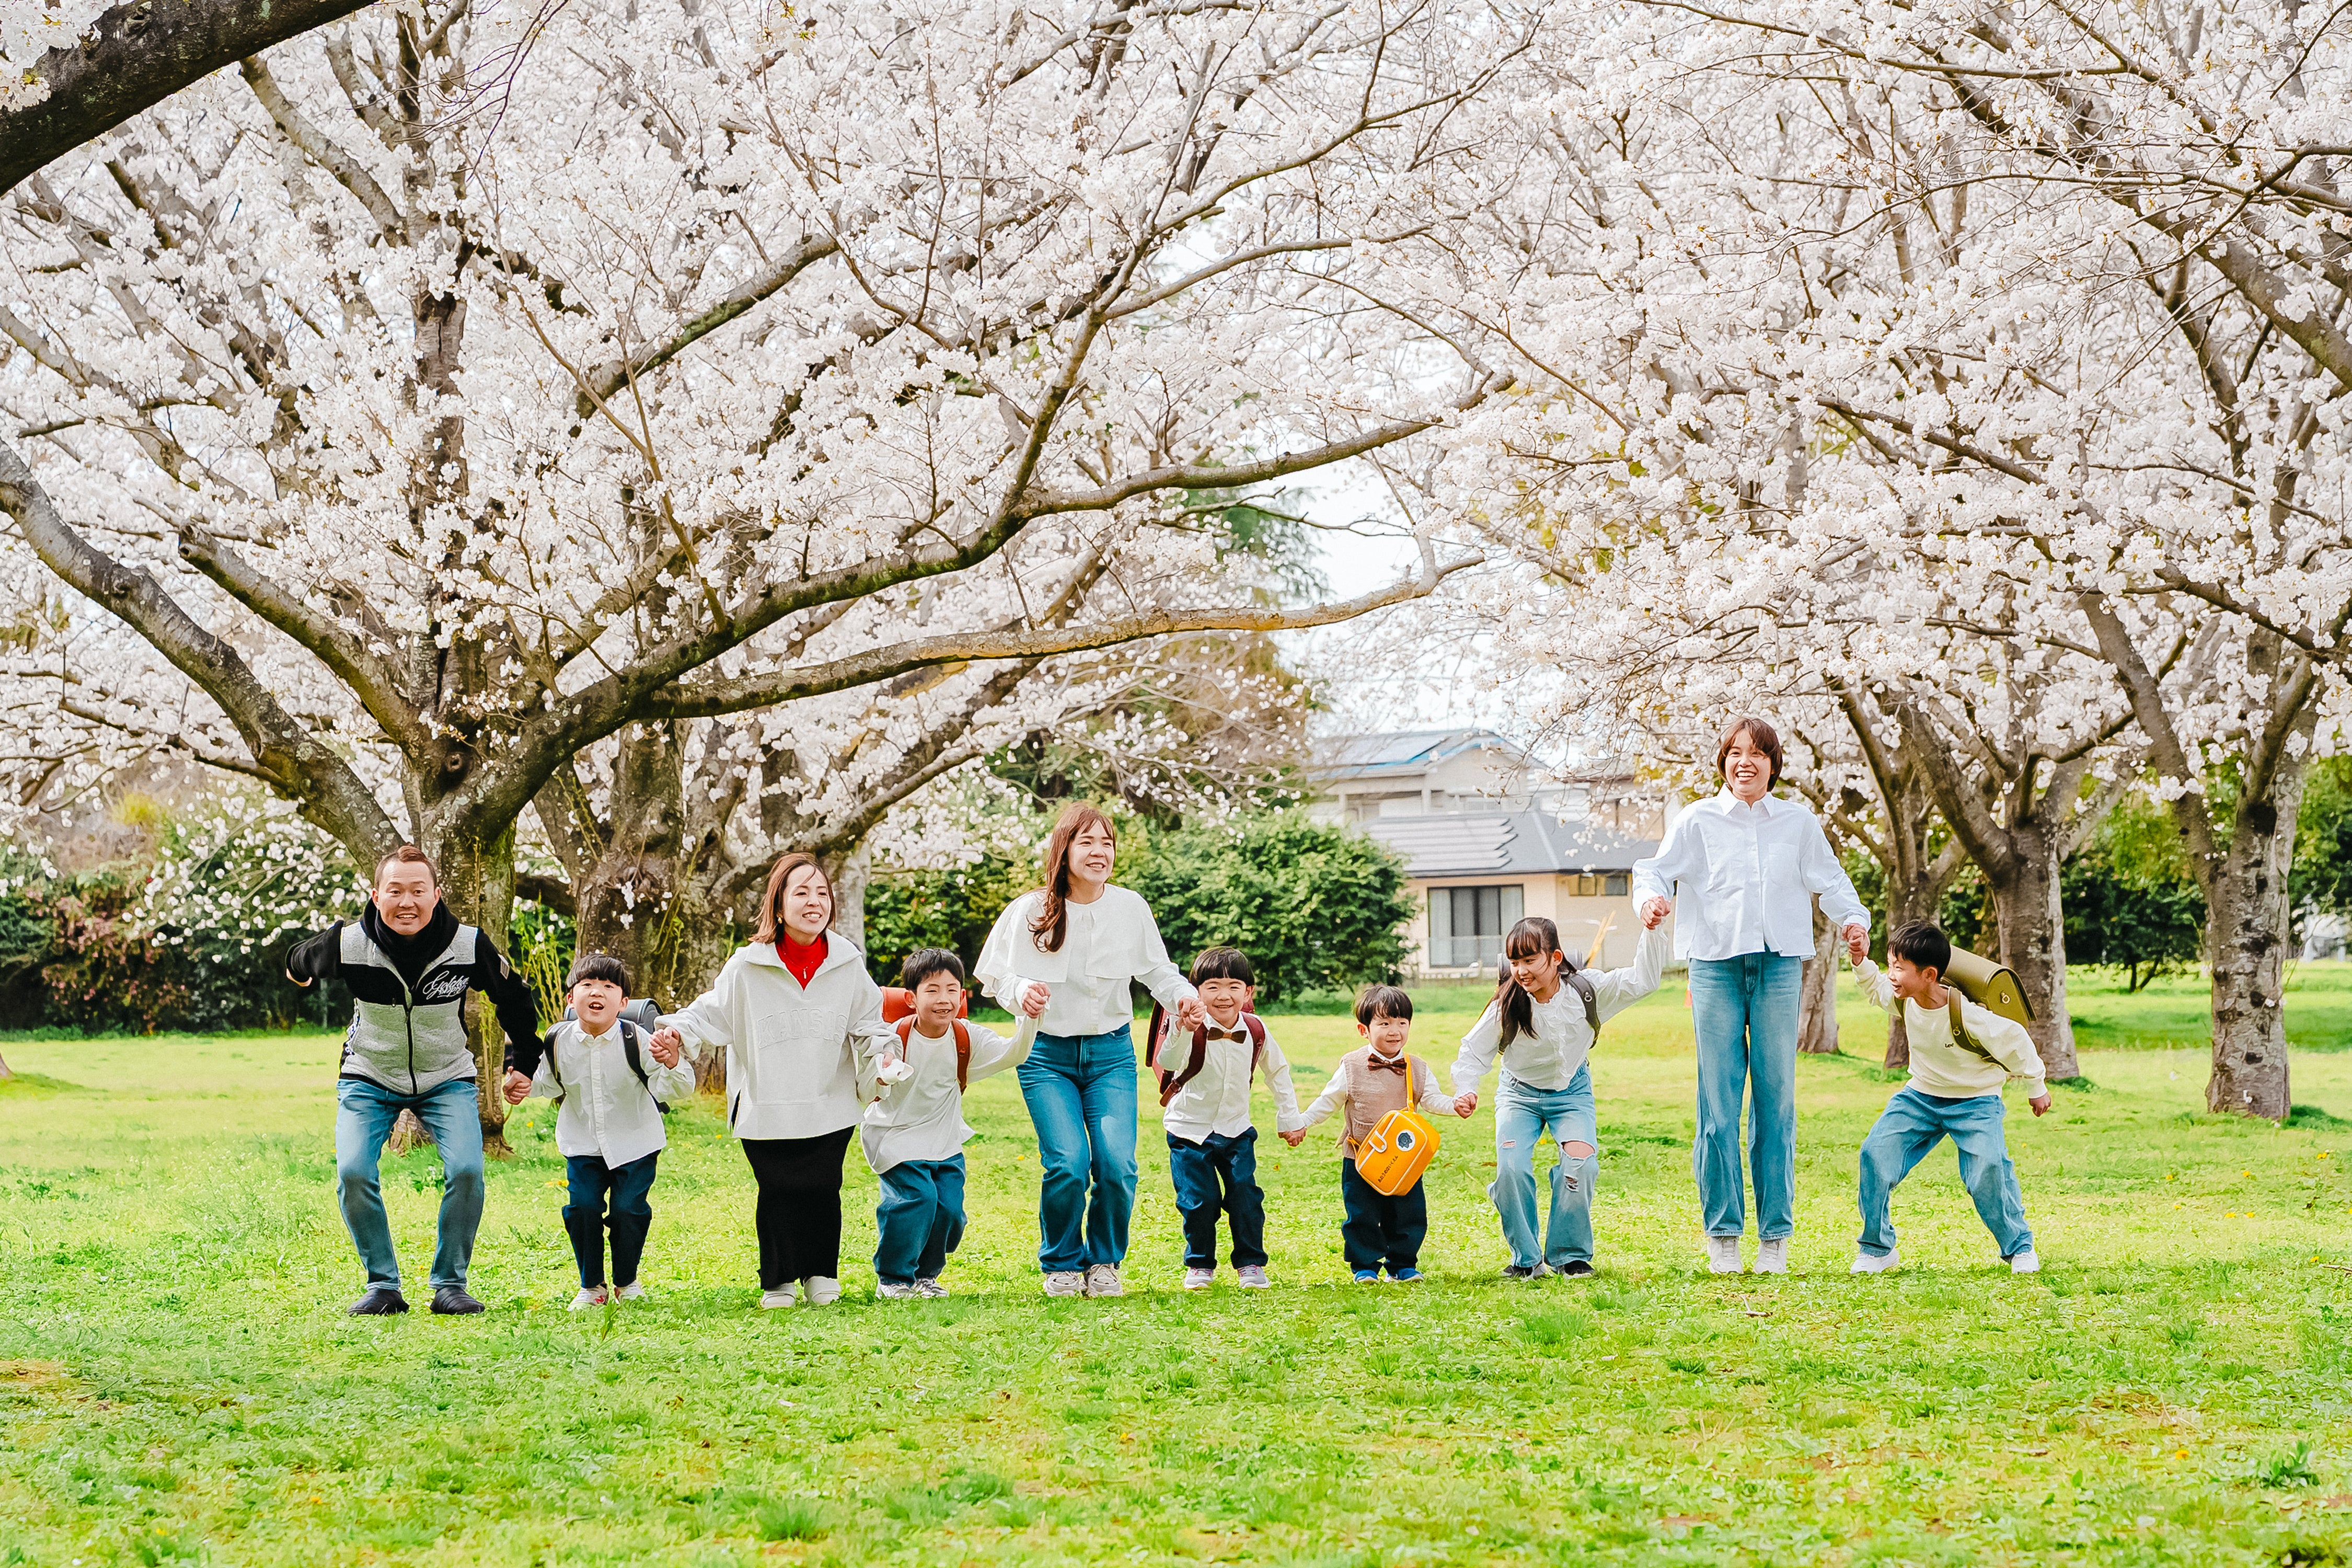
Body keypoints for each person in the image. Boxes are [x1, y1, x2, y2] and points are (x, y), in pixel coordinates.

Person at [1631, 717, 1870, 1275]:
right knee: (1717, 1105)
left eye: (1758, 753)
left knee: (1776, 1102)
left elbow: (1830, 880)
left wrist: (1854, 921)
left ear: (1773, 763)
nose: (1746, 762)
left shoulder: (1796, 822)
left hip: (1779, 966)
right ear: (1723, 762)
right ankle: (1724, 1234)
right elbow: (1654, 870)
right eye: (1736, 752)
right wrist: (1651, 901)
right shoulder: (1696, 820)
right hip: (1714, 967)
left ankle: (1775, 1239)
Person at [285, 844, 540, 1317]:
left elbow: (516, 998)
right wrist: (302, 969)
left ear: (436, 894)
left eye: (418, 890)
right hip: (368, 1073)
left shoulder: (468, 945)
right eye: (396, 891)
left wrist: (523, 1061)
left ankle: (450, 1284)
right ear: (377, 894)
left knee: (467, 1169)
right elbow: (297, 961)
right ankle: (383, 1285)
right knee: (353, 1171)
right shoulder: (349, 943)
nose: (408, 902)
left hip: (446, 1076)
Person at [976, 803, 1204, 1299]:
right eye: (1087, 842)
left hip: (1110, 1057)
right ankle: (1060, 1265)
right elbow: (995, 975)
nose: (1099, 852)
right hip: (1045, 1057)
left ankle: (1103, 1263)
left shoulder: (1130, 907)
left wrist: (1184, 997)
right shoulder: (1031, 909)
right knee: (1068, 1163)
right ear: (1065, 850)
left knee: (1118, 1165)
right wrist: (1021, 993)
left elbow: (1158, 971)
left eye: (1107, 843)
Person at [655, 851, 894, 1309]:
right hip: (766, 1100)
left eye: (821, 893)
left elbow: (871, 1024)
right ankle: (780, 1280)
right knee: (780, 1190)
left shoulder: (848, 962)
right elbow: (708, 1014)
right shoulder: (747, 966)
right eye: (800, 892)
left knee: (824, 1186)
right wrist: (674, 1036)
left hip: (829, 1097)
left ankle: (821, 1273)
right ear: (778, 906)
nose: (814, 902)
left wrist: (884, 1055)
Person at [1452, 915, 1667, 1281]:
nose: (1521, 971)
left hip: (1572, 1092)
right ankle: (1526, 1260)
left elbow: (1643, 980)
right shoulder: (1507, 1004)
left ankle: (1570, 1256)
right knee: (1511, 1170)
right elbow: (1472, 1053)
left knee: (1580, 1166)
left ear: (1555, 958)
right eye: (1515, 962)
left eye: (1530, 961)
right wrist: (1467, 1088)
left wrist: (1652, 930)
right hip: (1518, 1095)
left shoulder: (1587, 991)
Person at [1847, 921, 2048, 1274]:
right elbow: (1875, 989)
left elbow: (2015, 1038)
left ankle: (2019, 1248)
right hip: (1921, 1097)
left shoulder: (1967, 1014)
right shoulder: (1905, 1001)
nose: (1891, 975)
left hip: (1975, 1101)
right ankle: (1877, 1249)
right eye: (1891, 965)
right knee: (1875, 1154)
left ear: (1929, 975)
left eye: (1899, 968)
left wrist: (2036, 1087)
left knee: (1987, 1171)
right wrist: (1862, 960)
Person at [502, 952, 693, 1309]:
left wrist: (672, 1061)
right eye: (587, 985)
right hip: (582, 1143)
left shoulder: (638, 1039)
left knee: (628, 1211)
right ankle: (592, 1287)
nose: (597, 992)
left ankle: (626, 1281)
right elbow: (546, 1082)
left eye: (608, 987)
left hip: (636, 1142)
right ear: (570, 999)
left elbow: (676, 1090)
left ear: (623, 1002)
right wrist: (520, 1085)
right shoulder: (558, 1040)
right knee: (583, 1209)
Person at [863, 949, 1037, 1300]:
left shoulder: (965, 1037)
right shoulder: (893, 1036)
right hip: (896, 1138)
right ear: (911, 998)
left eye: (952, 989)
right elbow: (867, 1082)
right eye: (932, 990)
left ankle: (925, 1276)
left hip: (944, 1141)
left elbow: (1015, 1053)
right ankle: (893, 1279)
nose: (944, 999)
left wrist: (1030, 1015)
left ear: (962, 995)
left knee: (950, 1212)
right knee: (917, 1199)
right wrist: (882, 1073)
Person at [1284, 985, 1465, 1283]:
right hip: (1361, 1158)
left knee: (1408, 1214)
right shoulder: (1352, 1066)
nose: (1394, 1031)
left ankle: (1403, 1264)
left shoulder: (1416, 1067)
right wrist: (1303, 1122)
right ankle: (1365, 1265)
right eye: (1384, 1023)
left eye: (1401, 1023)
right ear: (1364, 1030)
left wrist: (1455, 1104)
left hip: (1405, 1160)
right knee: (1362, 1214)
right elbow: (1328, 1101)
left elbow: (1432, 1099)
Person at [1155, 947, 1305, 1290]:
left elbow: (1278, 1072)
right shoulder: (1187, 1025)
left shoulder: (1255, 1029)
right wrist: (1182, 1028)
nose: (1224, 996)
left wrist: (1289, 1118)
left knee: (1245, 1197)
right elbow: (1170, 1058)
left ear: (1248, 992)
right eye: (1213, 987)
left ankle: (1251, 1264)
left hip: (1236, 1129)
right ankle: (1200, 1266)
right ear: (1195, 992)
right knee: (1199, 1200)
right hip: (1189, 1130)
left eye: (1234, 986)